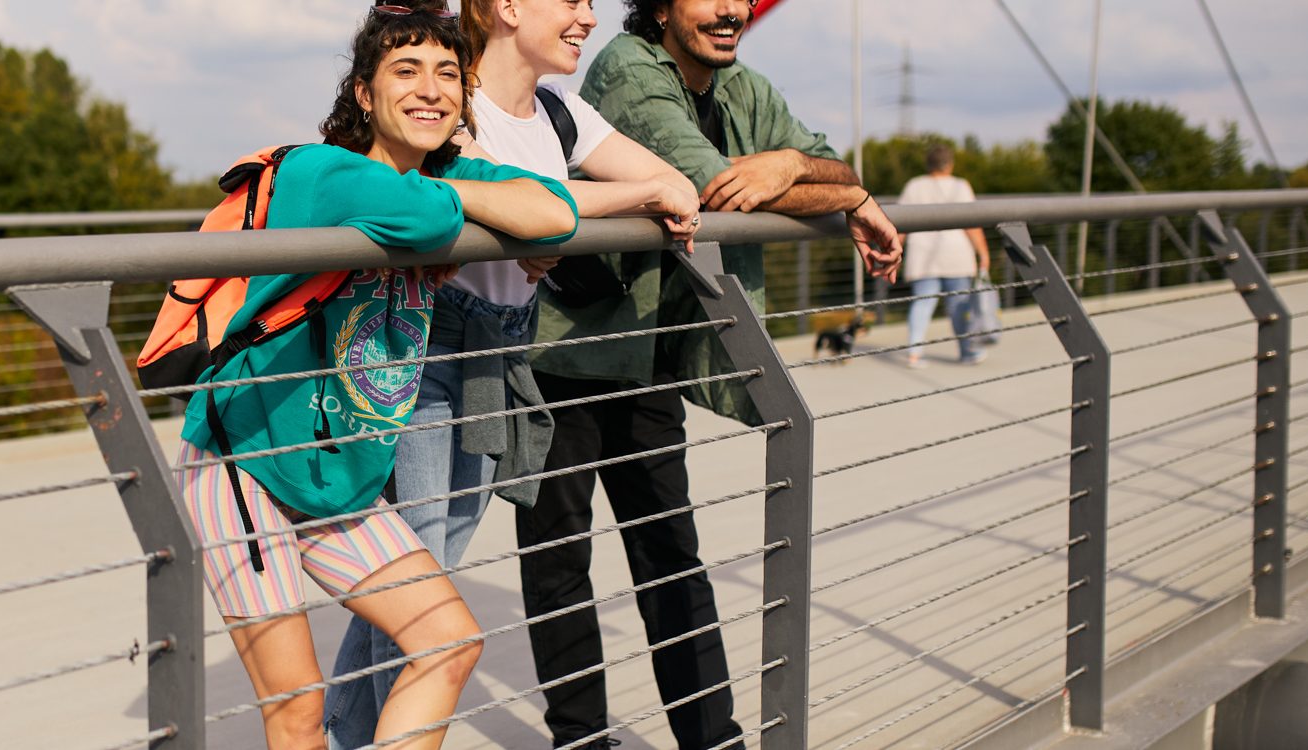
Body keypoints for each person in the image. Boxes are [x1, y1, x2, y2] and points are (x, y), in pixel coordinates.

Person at [177, 3, 578, 748]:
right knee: (296, 712)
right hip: (249, 463)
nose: (430, 90)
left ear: (464, 99)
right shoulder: (320, 171)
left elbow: (554, 210)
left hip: (339, 477)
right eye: (406, 71)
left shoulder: (443, 174)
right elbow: (422, 221)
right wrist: (473, 214)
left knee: (449, 642)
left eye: (448, 75)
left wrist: (469, 202)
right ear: (364, 93)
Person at [512, 1, 905, 748]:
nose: (729, 8)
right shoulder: (629, 70)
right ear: (660, 6)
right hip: (566, 353)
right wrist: (838, 189)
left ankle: (711, 738)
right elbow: (709, 187)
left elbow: (829, 165)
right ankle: (581, 738)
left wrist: (801, 168)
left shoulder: (743, 88)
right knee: (560, 558)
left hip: (651, 356)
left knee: (671, 555)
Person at [324, 1, 704, 748]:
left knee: (429, 563)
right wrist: (536, 220)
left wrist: (547, 221)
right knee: (419, 572)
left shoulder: (559, 112)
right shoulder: (450, 101)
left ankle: (347, 730)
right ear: (507, 7)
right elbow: (457, 190)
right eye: (570, 0)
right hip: (435, 337)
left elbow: (671, 183)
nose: (588, 17)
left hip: (500, 345)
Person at [898, 144, 992, 367]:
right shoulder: (961, 186)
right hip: (955, 255)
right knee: (959, 306)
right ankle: (968, 351)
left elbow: (900, 222)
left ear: (928, 164)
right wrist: (983, 253)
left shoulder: (914, 185)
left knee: (922, 304)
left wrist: (895, 250)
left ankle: (915, 353)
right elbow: (972, 224)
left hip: (923, 256)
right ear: (950, 164)